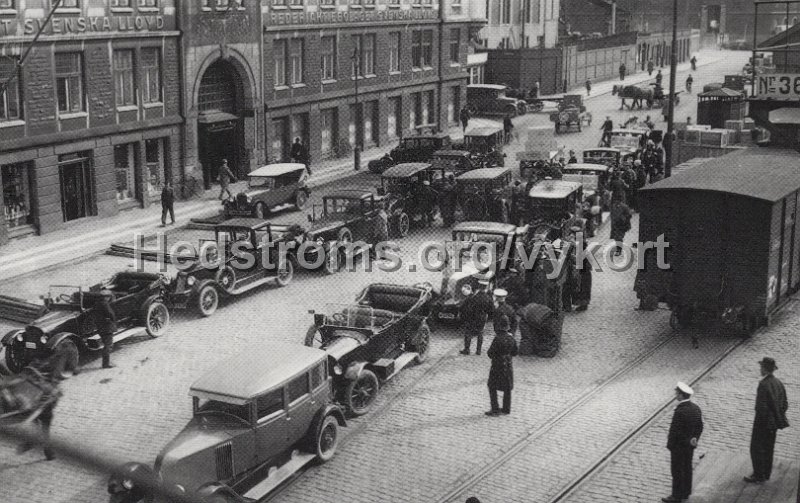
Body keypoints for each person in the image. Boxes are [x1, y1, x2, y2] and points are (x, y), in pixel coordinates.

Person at [745, 357, 790, 484]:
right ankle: (766, 473)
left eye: (761, 367)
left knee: (756, 447)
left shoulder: (763, 384)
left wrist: (761, 422)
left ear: (764, 369)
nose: (760, 369)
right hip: (774, 423)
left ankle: (759, 475)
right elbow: (785, 404)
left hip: (762, 423)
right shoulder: (778, 383)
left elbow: (761, 407)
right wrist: (777, 415)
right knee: (769, 447)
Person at [663, 382, 704, 503]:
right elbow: (700, 426)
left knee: (677, 470)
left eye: (677, 392)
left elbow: (675, 431)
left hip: (678, 447)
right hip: (689, 446)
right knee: (687, 467)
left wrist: (670, 445)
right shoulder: (696, 408)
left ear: (681, 395)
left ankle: (676, 496)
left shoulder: (680, 411)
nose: (675, 394)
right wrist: (695, 438)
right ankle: (686, 492)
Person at [485, 315, 518, 416]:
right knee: (507, 387)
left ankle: (495, 409)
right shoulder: (511, 338)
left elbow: (490, 353)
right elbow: (515, 352)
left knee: (492, 386)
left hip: (497, 365)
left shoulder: (497, 339)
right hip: (508, 365)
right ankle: (506, 409)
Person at [459, 279, 494, 355]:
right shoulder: (488, 298)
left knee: (468, 332)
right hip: (482, 318)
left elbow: (467, 307)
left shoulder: (473, 296)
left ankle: (467, 350)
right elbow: (491, 310)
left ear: (479, 286)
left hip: (472, 317)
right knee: (480, 333)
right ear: (486, 287)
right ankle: (478, 351)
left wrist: (465, 316)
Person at [94, 289, 117, 369]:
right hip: (107, 327)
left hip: (100, 327)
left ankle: (106, 363)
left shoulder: (97, 303)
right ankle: (106, 364)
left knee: (106, 344)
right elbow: (111, 314)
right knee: (108, 345)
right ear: (106, 297)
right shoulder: (105, 304)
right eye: (108, 297)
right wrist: (113, 320)